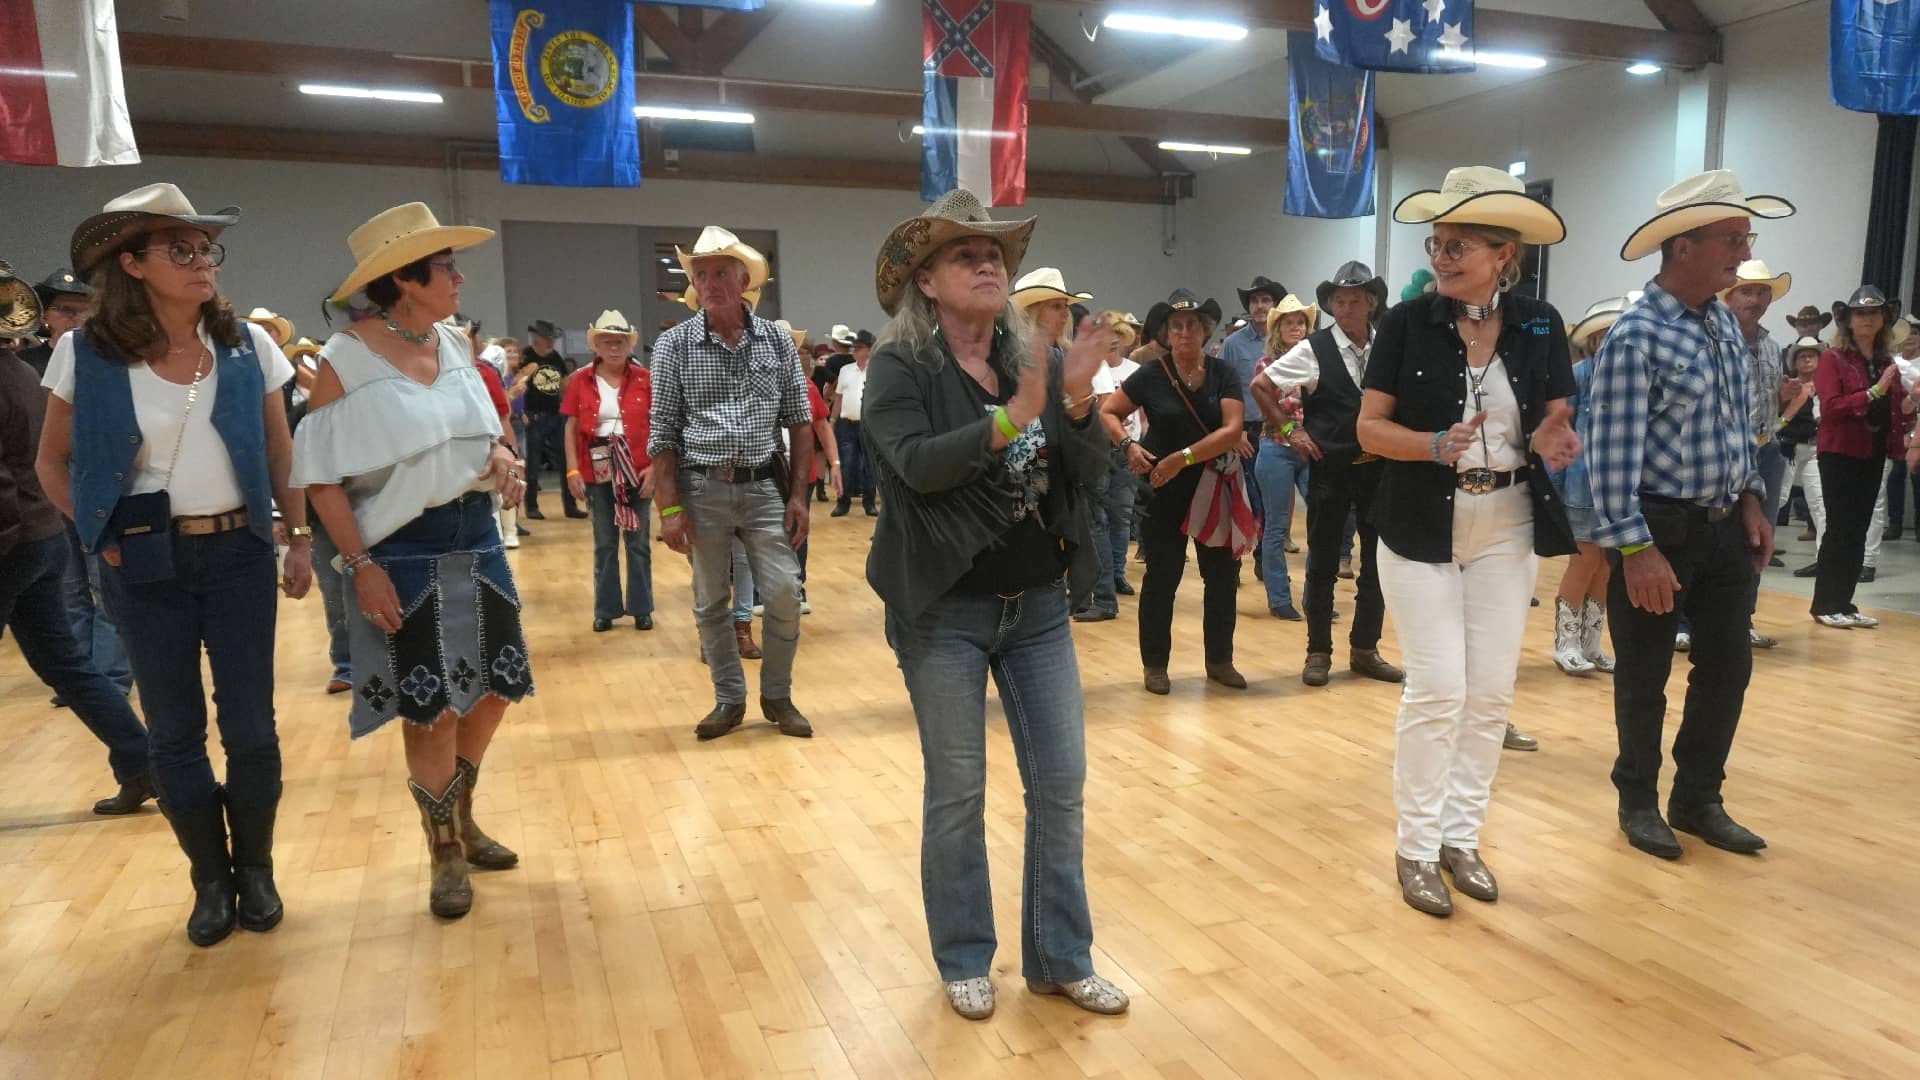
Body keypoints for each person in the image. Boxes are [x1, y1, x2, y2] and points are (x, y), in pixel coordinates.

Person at [864, 188, 1127, 1021]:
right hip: (942, 609)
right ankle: (964, 956)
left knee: (1061, 786)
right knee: (958, 790)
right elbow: (915, 464)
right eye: (963, 255)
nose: (987, 264)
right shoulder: (900, 368)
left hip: (1039, 605)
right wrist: (1015, 419)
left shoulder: (1033, 362)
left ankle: (1058, 957)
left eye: (995, 256)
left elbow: (1085, 474)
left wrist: (1077, 402)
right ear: (927, 282)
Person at [37, 183, 312, 945]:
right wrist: (96, 537)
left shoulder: (247, 345)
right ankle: (209, 878)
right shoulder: (82, 352)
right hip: (141, 560)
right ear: (131, 264)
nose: (202, 263)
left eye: (206, 249)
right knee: (174, 731)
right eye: (180, 250)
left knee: (252, 725)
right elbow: (51, 461)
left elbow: (282, 450)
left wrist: (300, 536)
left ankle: (255, 867)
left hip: (240, 554)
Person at [295, 202, 532, 919]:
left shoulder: (455, 342)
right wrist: (359, 564)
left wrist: (500, 455)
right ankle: (443, 850)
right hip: (401, 548)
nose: (459, 277)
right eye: (445, 268)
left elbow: (480, 435)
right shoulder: (346, 359)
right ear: (404, 279)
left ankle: (460, 813)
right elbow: (321, 476)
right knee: (428, 707)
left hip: (477, 536)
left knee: (494, 686)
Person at [1360, 166, 1580, 916]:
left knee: (1488, 696)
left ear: (1503, 255)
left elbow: (1555, 410)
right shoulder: (1404, 323)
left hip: (1508, 520)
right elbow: (1368, 429)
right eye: (1437, 243)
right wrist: (1430, 445)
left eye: (1460, 245)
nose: (1443, 256)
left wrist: (1556, 434)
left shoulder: (1541, 322)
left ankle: (1461, 838)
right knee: (1439, 690)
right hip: (1419, 521)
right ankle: (1416, 847)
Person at [1589, 169, 1793, 861]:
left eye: (1745, 238)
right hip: (1659, 528)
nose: (1741, 253)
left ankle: (1698, 797)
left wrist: (1753, 502)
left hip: (1726, 527)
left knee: (1727, 666)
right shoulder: (1635, 337)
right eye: (1731, 239)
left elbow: (1738, 428)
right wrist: (1637, 550)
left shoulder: (1724, 329)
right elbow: (1608, 459)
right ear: (1683, 246)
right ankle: (1638, 800)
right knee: (1644, 675)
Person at [648, 225, 815, 741]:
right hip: (703, 489)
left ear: (744, 279)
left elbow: (800, 422)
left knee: (785, 592)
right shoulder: (674, 345)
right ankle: (728, 700)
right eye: (700, 272)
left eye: (721, 271)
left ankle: (778, 695)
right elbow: (662, 433)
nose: (710, 280)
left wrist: (799, 496)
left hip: (765, 486)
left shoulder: (777, 343)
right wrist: (670, 509)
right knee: (710, 600)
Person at [1, 260, 151, 815]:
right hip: (36, 539)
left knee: (67, 664)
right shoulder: (18, 371)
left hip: (11, 543)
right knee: (67, 665)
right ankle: (141, 761)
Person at [1251, 262, 1406, 688]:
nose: (1347, 307)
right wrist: (1288, 430)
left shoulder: (1386, 346)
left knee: (1377, 564)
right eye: (1340, 300)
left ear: (1372, 303)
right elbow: (1261, 385)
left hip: (1379, 470)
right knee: (1321, 563)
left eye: (1356, 299)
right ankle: (1318, 651)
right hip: (1331, 470)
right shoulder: (1313, 348)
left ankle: (1365, 649)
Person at [1100, 289, 1251, 694]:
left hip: (1212, 484)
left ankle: (1220, 660)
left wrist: (1180, 458)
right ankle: (1155, 665)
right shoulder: (1149, 374)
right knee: (1162, 577)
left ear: (1205, 331)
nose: (1184, 332)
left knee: (1221, 577)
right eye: (1176, 326)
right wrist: (1128, 446)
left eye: (1192, 325)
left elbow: (1232, 430)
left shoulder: (1223, 374)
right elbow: (1109, 412)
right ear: (1166, 332)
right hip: (1162, 488)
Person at [25, 267, 136, 707]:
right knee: (70, 588)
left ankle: (111, 678)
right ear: (45, 316)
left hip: (94, 479)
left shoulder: (104, 356)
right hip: (45, 483)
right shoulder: (23, 363)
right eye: (63, 310)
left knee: (103, 581)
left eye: (81, 309)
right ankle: (80, 679)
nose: (73, 318)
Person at [1809, 288, 1914, 627]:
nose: (1866, 318)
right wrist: (1875, 391)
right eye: (1859, 313)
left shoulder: (1885, 362)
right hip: (1840, 451)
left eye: (1874, 313)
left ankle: (1844, 602)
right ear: (1848, 320)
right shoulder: (1833, 358)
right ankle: (1825, 604)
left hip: (1873, 450)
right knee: (1840, 528)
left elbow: (1895, 411)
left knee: (1858, 528)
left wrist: (1908, 407)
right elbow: (1832, 408)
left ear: (1884, 319)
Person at [1548, 295, 1639, 680]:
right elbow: (1557, 430)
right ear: (1591, 340)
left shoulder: (1634, 380)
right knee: (1583, 560)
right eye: (1601, 336)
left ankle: (1591, 642)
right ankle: (1564, 643)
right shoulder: (1579, 375)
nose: (1608, 342)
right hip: (1582, 485)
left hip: (1618, 487)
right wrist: (1553, 484)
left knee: (1604, 566)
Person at [562, 310, 654, 632]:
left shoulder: (646, 379)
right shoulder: (580, 381)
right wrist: (572, 471)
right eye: (606, 342)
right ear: (596, 346)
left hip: (639, 468)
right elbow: (571, 428)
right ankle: (606, 609)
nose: (614, 348)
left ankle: (642, 607)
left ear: (629, 345)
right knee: (604, 542)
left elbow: (660, 427)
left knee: (638, 541)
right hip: (596, 468)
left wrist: (655, 467)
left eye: (620, 342)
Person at [1720, 260, 1792, 648]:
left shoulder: (1771, 344)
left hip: (1767, 452)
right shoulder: (1714, 339)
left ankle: (1742, 618)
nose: (1756, 299)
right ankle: (1686, 622)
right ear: (1729, 297)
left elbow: (1767, 403)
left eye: (1763, 291)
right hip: (1728, 455)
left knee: (1759, 539)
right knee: (1713, 537)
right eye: (1748, 291)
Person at [1249, 294, 1318, 620]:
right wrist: (1291, 429)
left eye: (1301, 322)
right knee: (1277, 527)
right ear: (1278, 328)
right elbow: (1265, 402)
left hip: (1310, 449)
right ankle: (1279, 597)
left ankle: (1317, 597)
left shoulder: (1316, 361)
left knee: (1320, 523)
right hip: (1277, 447)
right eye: (1289, 323)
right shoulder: (1267, 366)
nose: (1296, 327)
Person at [1222, 275, 1288, 577]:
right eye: (1254, 301)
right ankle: (1232, 563)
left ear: (1274, 306)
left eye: (1265, 300)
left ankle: (1265, 560)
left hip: (1277, 433)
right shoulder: (1233, 344)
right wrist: (1233, 433)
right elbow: (1222, 390)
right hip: (1244, 431)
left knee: (1271, 505)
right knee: (1240, 501)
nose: (1259, 306)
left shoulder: (1287, 341)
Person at [1088, 310, 1140, 600]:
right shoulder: (1089, 367)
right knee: (1099, 519)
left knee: (1121, 515)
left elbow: (1144, 413)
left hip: (1126, 448)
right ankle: (1101, 577)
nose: (1111, 340)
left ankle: (1117, 573)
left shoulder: (1133, 370)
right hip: (1099, 450)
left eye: (1116, 335)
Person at [518, 318, 582, 520]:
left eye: (552, 339)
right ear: (538, 338)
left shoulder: (555, 357)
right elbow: (517, 384)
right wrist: (521, 411)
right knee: (533, 464)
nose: (551, 342)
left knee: (565, 462)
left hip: (556, 415)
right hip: (534, 416)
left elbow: (563, 384)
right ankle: (531, 506)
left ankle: (570, 506)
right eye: (548, 338)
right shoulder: (526, 356)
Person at [1778, 338, 1825, 566]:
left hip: (1816, 449)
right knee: (1778, 498)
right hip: (1789, 448)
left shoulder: (1827, 386)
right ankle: (1756, 550)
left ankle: (1824, 558)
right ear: (1794, 362)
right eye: (1801, 356)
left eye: (1811, 356)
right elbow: (1776, 418)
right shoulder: (1787, 386)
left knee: (1820, 503)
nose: (1807, 360)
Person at [829, 328, 877, 517]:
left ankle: (870, 503)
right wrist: (832, 421)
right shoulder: (845, 371)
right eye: (854, 348)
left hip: (869, 426)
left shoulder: (877, 371)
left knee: (869, 466)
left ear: (869, 350)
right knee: (846, 464)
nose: (854, 351)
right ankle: (843, 502)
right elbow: (838, 399)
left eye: (858, 348)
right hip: (846, 425)